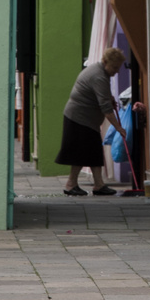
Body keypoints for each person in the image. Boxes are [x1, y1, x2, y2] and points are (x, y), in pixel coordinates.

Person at [58, 47, 126, 196]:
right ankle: (71, 184)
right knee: (80, 152)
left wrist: (109, 98)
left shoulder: (100, 71)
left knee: (92, 152)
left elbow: (101, 95)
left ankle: (98, 184)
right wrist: (119, 128)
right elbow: (106, 108)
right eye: (115, 67)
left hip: (84, 119)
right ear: (106, 62)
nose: (117, 71)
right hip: (80, 118)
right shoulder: (99, 76)